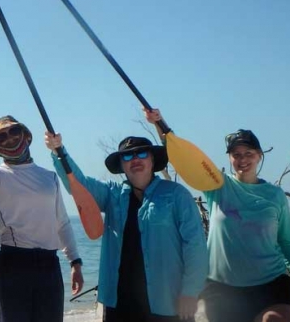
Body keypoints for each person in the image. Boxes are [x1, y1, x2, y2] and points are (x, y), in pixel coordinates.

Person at [145, 109, 290, 322]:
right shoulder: (216, 185)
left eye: (249, 154)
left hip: (271, 283)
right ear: (229, 158)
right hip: (221, 287)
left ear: (260, 155)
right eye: (236, 155)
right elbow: (182, 156)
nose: (242, 159)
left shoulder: (275, 195)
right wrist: (158, 122)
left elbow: (288, 242)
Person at [45, 132, 208, 322]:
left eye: (142, 154)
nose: (135, 159)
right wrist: (58, 150)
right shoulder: (112, 194)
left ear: (153, 159)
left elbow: (195, 246)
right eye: (128, 156)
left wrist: (190, 292)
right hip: (120, 302)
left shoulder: (177, 195)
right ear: (122, 165)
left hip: (168, 301)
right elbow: (78, 184)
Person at [0, 116, 84, 322]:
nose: (9, 138)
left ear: (27, 136)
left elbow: (62, 223)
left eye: (14, 132)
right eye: (1, 137)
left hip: (49, 264)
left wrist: (75, 262)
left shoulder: (50, 177)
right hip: (13, 263)